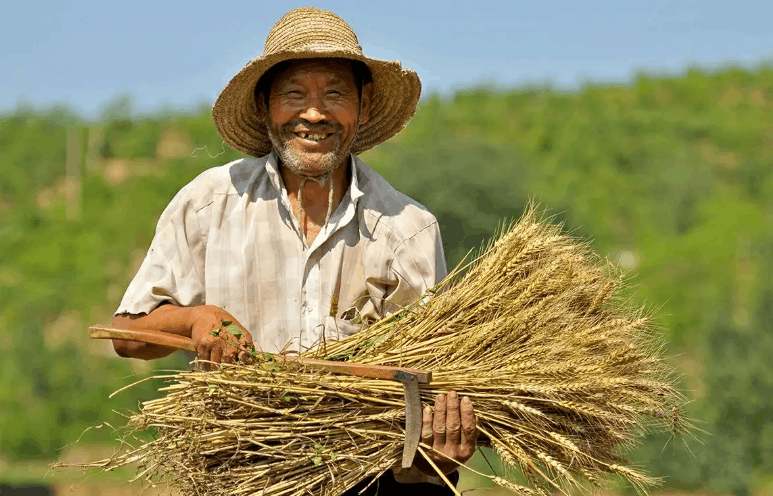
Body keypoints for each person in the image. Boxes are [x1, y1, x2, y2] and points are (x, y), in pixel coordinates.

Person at [110, 7, 477, 494]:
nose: (314, 113)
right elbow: (126, 336)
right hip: (235, 472)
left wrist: (437, 457)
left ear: (362, 108)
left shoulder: (406, 230)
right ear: (266, 108)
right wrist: (197, 319)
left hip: (364, 481)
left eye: (335, 94)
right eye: (294, 94)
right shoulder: (208, 205)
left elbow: (427, 390)